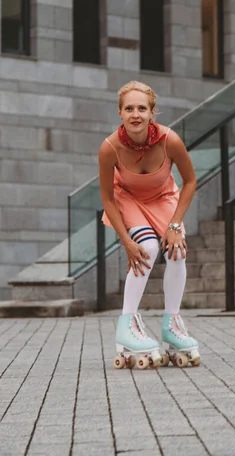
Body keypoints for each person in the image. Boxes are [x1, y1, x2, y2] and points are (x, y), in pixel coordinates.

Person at [98, 80, 200, 368]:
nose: (135, 114)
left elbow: (190, 181)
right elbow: (107, 196)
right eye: (129, 108)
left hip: (163, 197)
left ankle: (172, 324)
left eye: (142, 108)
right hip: (127, 197)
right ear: (120, 113)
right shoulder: (109, 148)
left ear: (152, 112)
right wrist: (125, 241)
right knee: (147, 246)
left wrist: (175, 224)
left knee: (176, 250)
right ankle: (127, 325)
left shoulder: (170, 140)